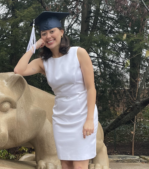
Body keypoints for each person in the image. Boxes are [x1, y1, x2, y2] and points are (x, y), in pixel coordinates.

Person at [14, 11, 99, 169]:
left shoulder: (79, 53)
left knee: (80, 165)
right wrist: (34, 46)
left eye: (52, 31)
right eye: (44, 33)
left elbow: (91, 88)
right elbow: (19, 70)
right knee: (66, 165)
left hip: (82, 114)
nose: (48, 36)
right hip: (61, 117)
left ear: (61, 32)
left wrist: (89, 120)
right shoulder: (43, 63)